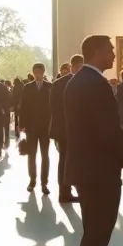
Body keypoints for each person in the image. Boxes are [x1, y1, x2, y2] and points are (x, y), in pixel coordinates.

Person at [66, 35, 123, 246]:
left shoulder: (77, 81)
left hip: (87, 168)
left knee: (93, 234)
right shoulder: (96, 83)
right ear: (97, 52)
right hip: (98, 172)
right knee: (98, 235)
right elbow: (106, 129)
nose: (114, 54)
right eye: (110, 50)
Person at [19, 63, 52, 191]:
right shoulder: (27, 87)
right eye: (35, 72)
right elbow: (23, 106)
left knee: (45, 155)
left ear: (43, 72)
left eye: (39, 72)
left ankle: (44, 182)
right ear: (33, 73)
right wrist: (21, 124)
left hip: (45, 126)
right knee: (32, 154)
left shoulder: (50, 87)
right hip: (31, 126)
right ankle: (32, 180)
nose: (37, 75)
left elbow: (53, 106)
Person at [51, 58, 79, 202]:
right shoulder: (81, 82)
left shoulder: (57, 84)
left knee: (64, 160)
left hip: (61, 128)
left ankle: (64, 192)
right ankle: (70, 190)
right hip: (76, 129)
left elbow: (52, 108)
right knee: (75, 160)